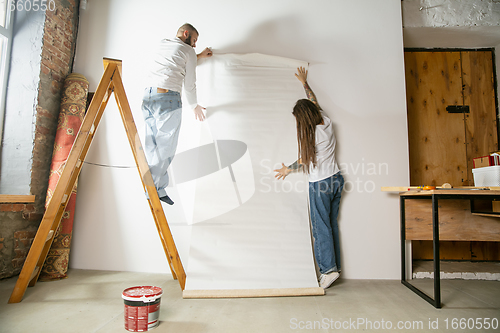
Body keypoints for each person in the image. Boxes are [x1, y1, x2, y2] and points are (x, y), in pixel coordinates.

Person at [274, 67, 344, 289]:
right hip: (337, 179)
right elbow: (313, 101)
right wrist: (304, 83)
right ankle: (335, 267)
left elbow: (304, 160)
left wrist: (287, 170)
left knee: (320, 228)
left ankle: (328, 271)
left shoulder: (311, 134)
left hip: (321, 183)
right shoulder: (325, 120)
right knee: (330, 225)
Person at [142, 23, 212, 205]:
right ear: (186, 33)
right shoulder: (188, 51)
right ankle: (153, 189)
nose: (195, 45)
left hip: (149, 97)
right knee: (166, 147)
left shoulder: (164, 43)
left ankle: (156, 187)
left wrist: (199, 56)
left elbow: (178, 61)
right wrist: (194, 106)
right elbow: (190, 84)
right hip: (168, 98)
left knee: (152, 143)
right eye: (194, 40)